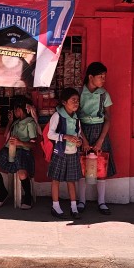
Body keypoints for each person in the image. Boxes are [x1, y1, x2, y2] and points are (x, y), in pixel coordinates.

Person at [78, 61, 116, 215]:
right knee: (82, 167)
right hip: (82, 131)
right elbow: (74, 118)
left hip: (101, 132)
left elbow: (108, 119)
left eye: (104, 77)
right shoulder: (79, 94)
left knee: (101, 166)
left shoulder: (104, 95)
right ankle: (81, 201)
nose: (103, 80)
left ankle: (102, 202)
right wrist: (84, 140)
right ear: (90, 77)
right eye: (101, 76)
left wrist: (100, 140)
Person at [0, 95, 39, 209]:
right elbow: (5, 135)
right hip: (8, 149)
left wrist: (20, 143)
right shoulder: (15, 122)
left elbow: (34, 144)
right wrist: (10, 121)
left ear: (19, 110)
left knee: (22, 174)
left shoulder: (29, 123)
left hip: (23, 152)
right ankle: (3, 192)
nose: (14, 112)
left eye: (15, 109)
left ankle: (28, 197)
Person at [47, 87, 84, 220]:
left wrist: (78, 141)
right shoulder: (57, 116)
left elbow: (78, 133)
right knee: (56, 180)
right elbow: (50, 134)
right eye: (73, 100)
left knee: (71, 180)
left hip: (72, 152)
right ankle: (55, 206)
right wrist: (65, 137)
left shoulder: (76, 117)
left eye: (77, 100)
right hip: (60, 152)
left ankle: (74, 208)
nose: (76, 103)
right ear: (64, 102)